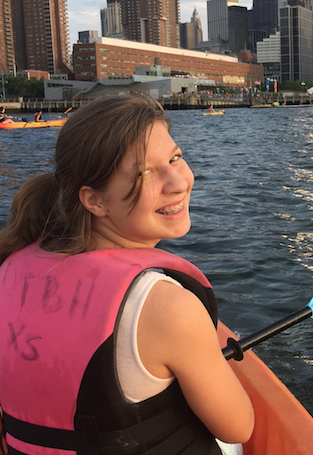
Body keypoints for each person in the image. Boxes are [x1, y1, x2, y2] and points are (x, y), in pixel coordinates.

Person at [0, 95, 254, 454]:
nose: (178, 182)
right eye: (144, 172)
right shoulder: (169, 308)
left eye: (175, 158)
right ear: (95, 201)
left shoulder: (8, 267)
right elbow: (238, 426)